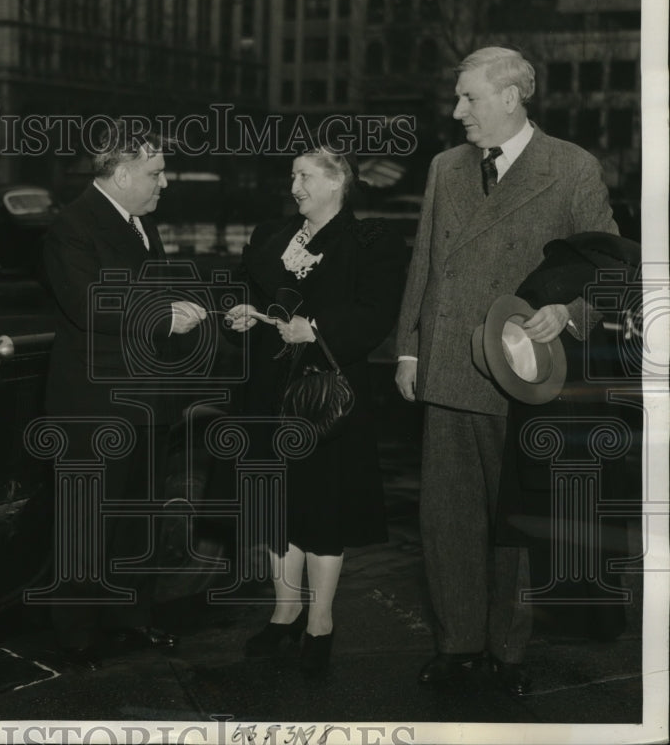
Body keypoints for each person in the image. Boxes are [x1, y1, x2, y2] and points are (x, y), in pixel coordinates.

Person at [394, 47, 618, 696]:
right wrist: (410, 348)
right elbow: (426, 264)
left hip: (524, 371)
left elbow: (607, 270)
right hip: (448, 366)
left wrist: (568, 313)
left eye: (469, 98)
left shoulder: (571, 167)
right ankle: (458, 644)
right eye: (458, 98)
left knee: (512, 523)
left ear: (512, 96)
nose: (457, 110)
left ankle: (507, 652)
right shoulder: (444, 167)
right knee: (448, 517)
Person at [225, 146, 406, 678]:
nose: (295, 186)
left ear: (337, 183)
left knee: (324, 510)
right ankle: (284, 612)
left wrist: (318, 329)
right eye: (292, 176)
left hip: (325, 397)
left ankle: (320, 622)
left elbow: (376, 313)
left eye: (304, 176)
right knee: (278, 506)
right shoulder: (271, 236)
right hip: (268, 392)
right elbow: (246, 287)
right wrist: (241, 313)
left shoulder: (371, 240)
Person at [40, 121, 206, 669]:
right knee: (88, 521)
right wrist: (165, 315)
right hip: (95, 404)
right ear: (124, 171)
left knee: (138, 516)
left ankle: (131, 619)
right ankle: (76, 635)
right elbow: (89, 303)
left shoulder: (138, 224)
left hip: (144, 400)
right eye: (157, 173)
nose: (165, 184)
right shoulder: (72, 224)